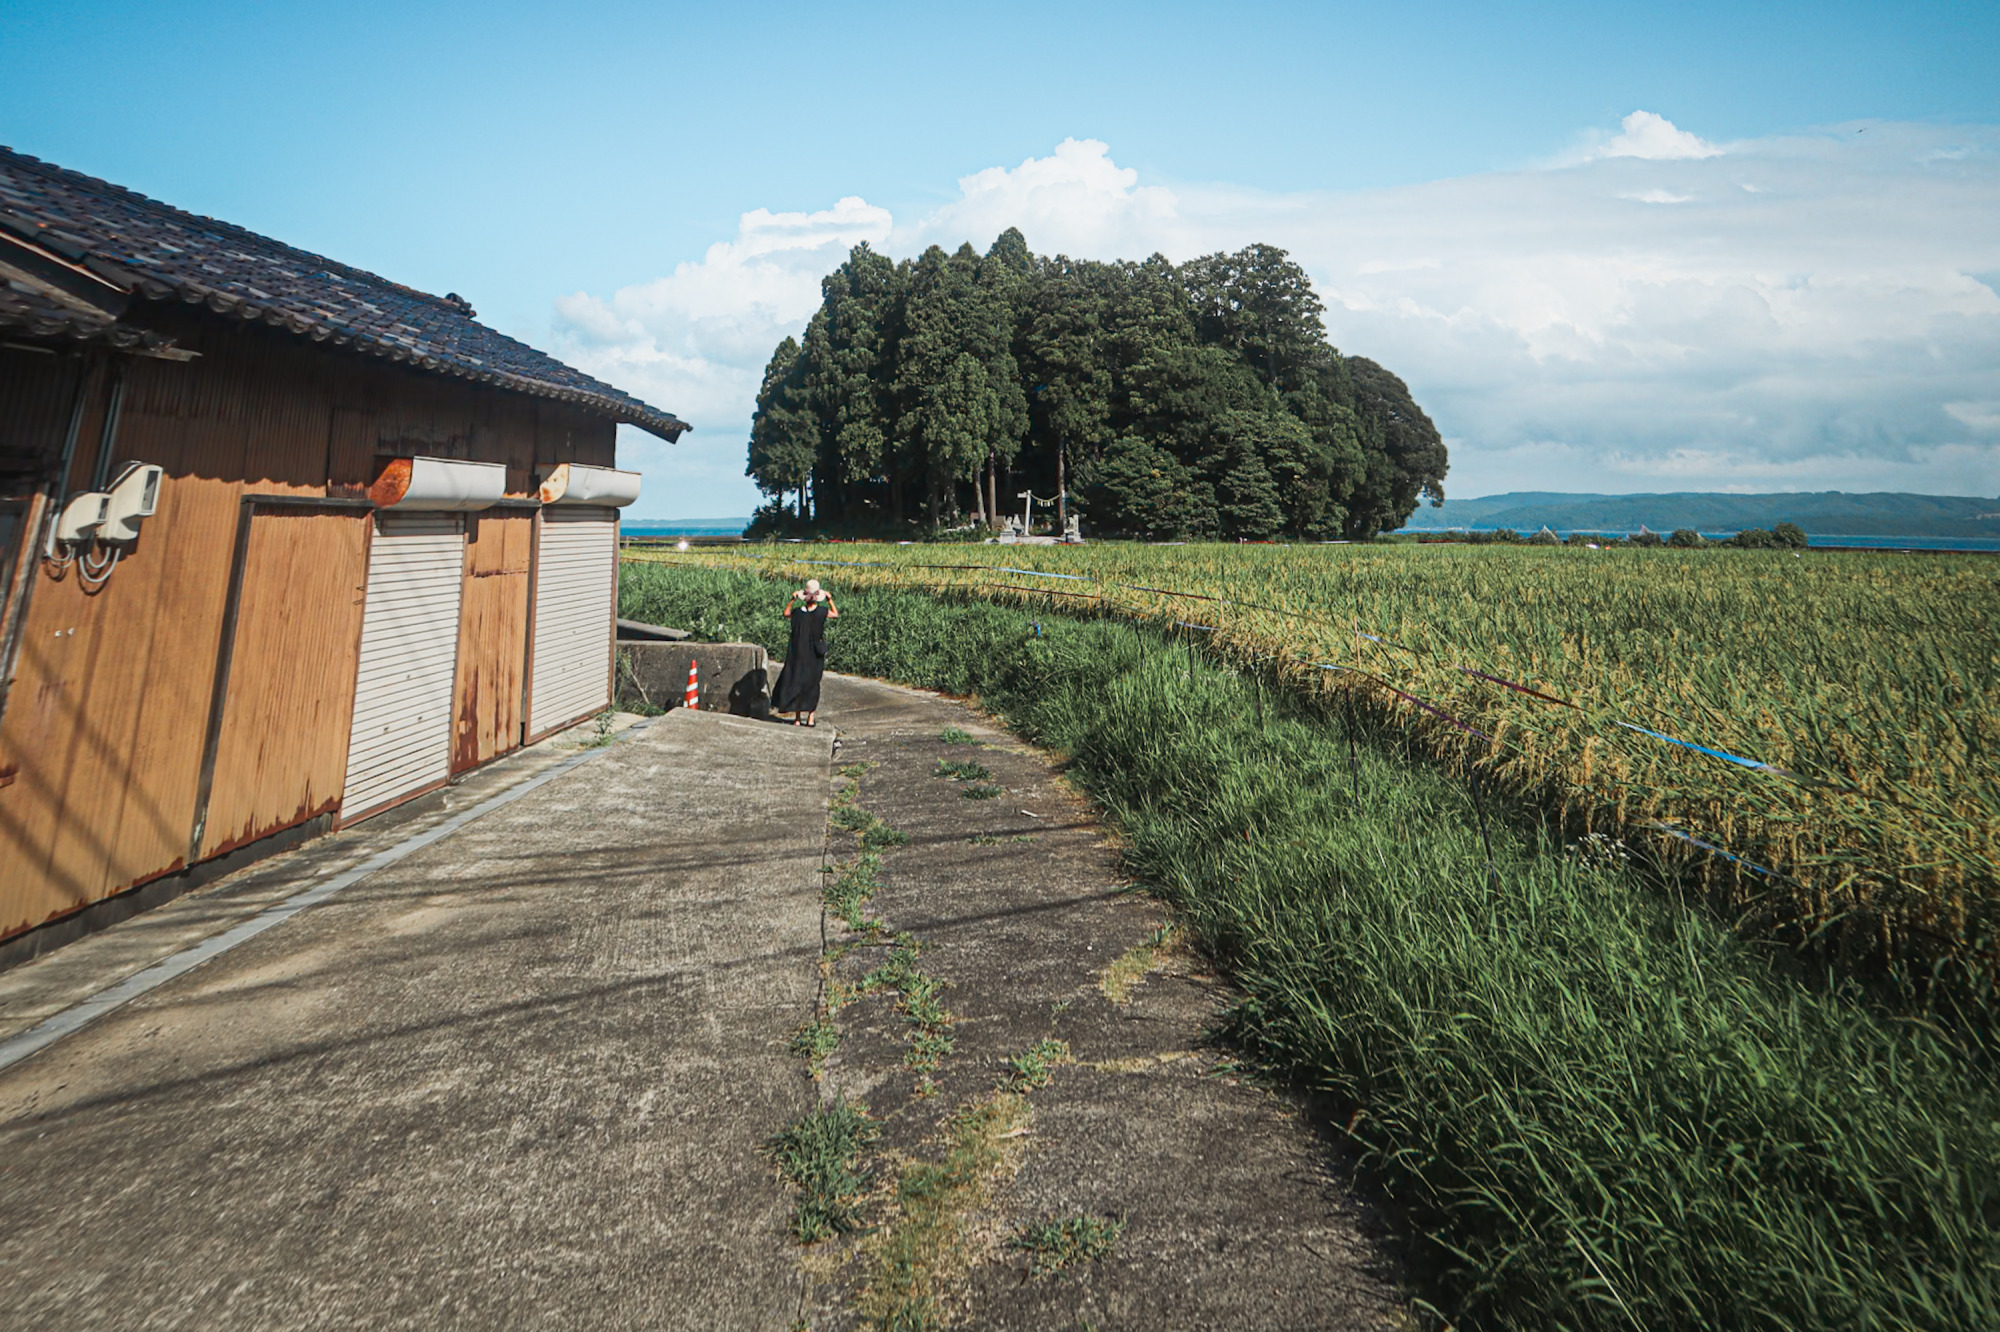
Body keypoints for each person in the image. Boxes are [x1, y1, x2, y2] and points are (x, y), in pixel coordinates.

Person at [774, 578, 837, 726]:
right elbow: (835, 614)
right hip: (815, 654)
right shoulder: (822, 611)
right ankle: (810, 717)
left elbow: (786, 612)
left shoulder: (797, 613)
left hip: (799, 652)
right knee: (812, 683)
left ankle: (797, 718)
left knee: (798, 682)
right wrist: (830, 600)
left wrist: (792, 599)